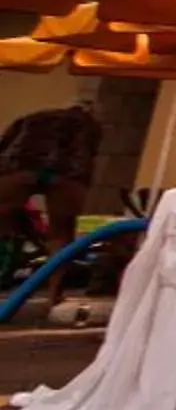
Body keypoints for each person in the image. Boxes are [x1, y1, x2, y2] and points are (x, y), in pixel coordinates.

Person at [0, 103, 100, 302]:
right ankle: (54, 294)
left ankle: (11, 246)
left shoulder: (33, 117)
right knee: (61, 235)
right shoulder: (90, 125)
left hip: (21, 166)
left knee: (3, 219)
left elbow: (5, 142)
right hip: (69, 172)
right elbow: (91, 152)